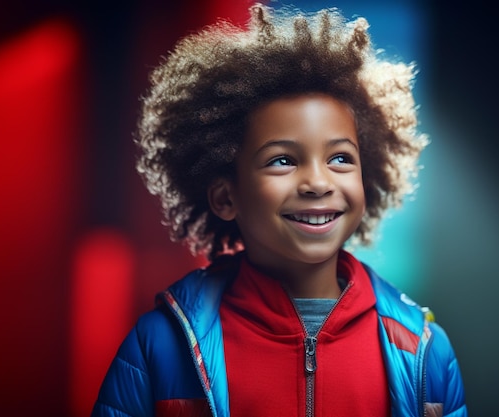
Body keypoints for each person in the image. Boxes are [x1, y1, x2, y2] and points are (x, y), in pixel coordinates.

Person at [91, 3, 467, 417]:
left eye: (340, 158)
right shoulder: (160, 346)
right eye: (283, 160)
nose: (319, 182)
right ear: (225, 198)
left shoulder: (423, 351)